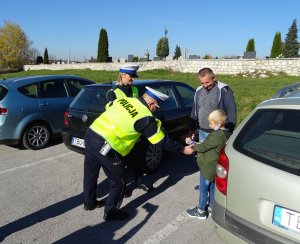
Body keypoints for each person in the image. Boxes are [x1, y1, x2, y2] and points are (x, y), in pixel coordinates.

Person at [83, 86, 192, 221]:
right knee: (119, 181)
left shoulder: (126, 100)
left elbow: (109, 105)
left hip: (91, 134)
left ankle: (89, 203)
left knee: (90, 172)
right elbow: (161, 141)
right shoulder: (145, 117)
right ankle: (111, 212)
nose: (156, 110)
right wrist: (183, 149)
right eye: (157, 107)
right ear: (152, 104)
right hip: (108, 146)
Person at [106, 64, 151, 196]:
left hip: (136, 132)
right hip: (123, 134)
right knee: (123, 164)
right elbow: (111, 114)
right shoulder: (113, 93)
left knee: (139, 158)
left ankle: (139, 181)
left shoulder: (136, 90)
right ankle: (124, 187)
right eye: (131, 76)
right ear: (123, 75)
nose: (133, 79)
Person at [185, 109, 232, 219]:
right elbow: (209, 146)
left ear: (218, 124)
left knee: (203, 188)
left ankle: (201, 210)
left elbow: (203, 147)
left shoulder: (216, 135)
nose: (209, 125)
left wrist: (191, 144)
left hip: (208, 166)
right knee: (212, 186)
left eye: (211, 123)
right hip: (215, 165)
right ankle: (211, 206)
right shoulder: (227, 134)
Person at [189, 67, 237, 143]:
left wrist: (228, 129)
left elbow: (231, 110)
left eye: (207, 82)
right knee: (203, 153)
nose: (205, 85)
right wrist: (192, 128)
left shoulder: (223, 90)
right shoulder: (198, 90)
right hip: (202, 131)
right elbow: (194, 110)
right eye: (202, 83)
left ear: (214, 78)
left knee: (216, 154)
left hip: (217, 133)